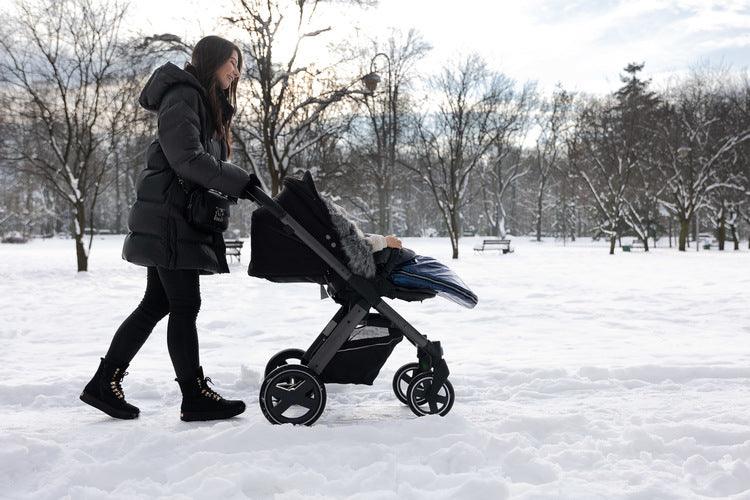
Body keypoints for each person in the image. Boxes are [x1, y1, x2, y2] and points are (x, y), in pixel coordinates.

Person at [80, 36, 261, 422]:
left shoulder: (200, 100)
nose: (236, 70)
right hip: (168, 219)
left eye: (238, 65)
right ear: (211, 60)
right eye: (232, 61)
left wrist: (233, 184)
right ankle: (193, 395)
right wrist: (240, 181)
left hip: (173, 217)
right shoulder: (183, 94)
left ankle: (104, 382)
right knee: (183, 305)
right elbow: (187, 159)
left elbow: (198, 163)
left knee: (158, 304)